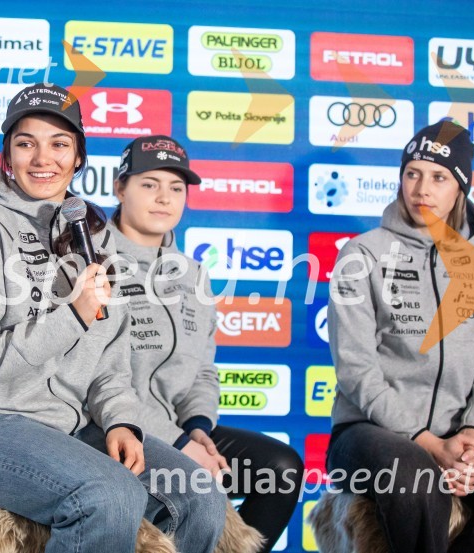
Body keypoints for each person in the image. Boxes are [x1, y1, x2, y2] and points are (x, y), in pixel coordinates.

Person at [0, 84, 225, 553]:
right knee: (107, 494)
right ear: (8, 154)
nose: (43, 158)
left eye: (60, 144)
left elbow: (110, 363)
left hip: (65, 427)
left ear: (79, 156)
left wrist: (121, 422)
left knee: (200, 497)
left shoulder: (91, 236)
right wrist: (73, 316)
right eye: (26, 143)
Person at [326, 119, 474, 552]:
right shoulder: (363, 253)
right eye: (412, 173)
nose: (421, 188)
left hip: (457, 434)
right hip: (367, 434)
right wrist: (428, 442)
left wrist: (470, 440)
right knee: (414, 475)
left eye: (438, 177)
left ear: (460, 188)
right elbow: (356, 369)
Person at [107, 135, 304, 552]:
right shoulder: (94, 263)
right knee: (194, 484)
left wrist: (198, 430)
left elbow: (202, 370)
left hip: (179, 432)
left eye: (176, 188)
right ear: (119, 187)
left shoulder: (194, 274)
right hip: (114, 430)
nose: (164, 198)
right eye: (149, 184)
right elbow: (98, 382)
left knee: (281, 468)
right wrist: (180, 447)